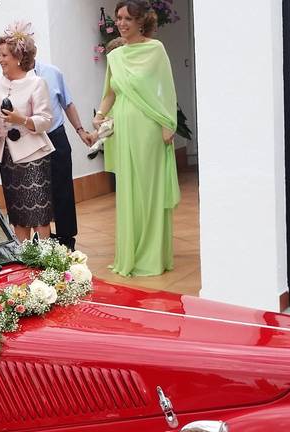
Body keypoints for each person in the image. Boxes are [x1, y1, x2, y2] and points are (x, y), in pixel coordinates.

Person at [94, 0, 180, 277]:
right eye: (118, 18)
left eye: (127, 18)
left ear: (141, 21)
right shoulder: (116, 56)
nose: (121, 23)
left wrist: (169, 123)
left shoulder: (155, 50)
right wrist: (99, 115)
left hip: (150, 129)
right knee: (129, 191)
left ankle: (152, 256)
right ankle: (130, 253)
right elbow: (110, 92)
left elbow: (166, 88)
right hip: (123, 131)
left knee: (149, 191)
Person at [0, 22, 55, 242]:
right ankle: (24, 261)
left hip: (33, 156)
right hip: (7, 158)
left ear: (17, 57)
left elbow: (46, 120)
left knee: (39, 214)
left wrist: (21, 119)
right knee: (17, 215)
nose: (0, 59)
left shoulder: (36, 83)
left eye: (4, 55)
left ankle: (45, 261)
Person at [33, 61, 93, 250]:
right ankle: (42, 239)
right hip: (32, 139)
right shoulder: (16, 77)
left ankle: (67, 239)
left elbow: (67, 103)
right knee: (35, 190)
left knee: (63, 189)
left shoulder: (52, 72)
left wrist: (81, 131)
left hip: (55, 135)